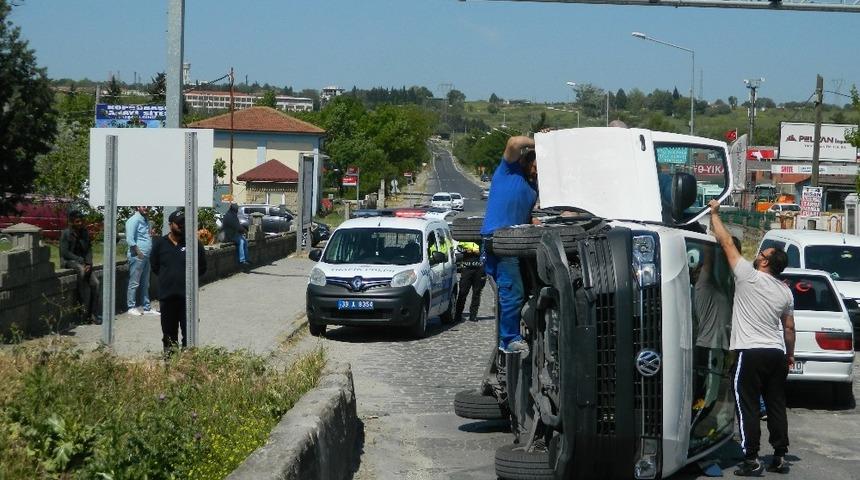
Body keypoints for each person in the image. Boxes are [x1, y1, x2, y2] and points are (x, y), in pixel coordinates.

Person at [708, 199, 794, 476]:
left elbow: (725, 243)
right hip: (776, 354)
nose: (758, 254)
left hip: (751, 353)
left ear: (766, 261)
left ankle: (751, 459)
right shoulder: (785, 292)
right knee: (776, 405)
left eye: (762, 253)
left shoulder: (748, 276)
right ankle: (780, 457)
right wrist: (790, 355)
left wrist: (714, 213)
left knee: (747, 407)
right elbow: (789, 328)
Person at [481, 135, 538, 354]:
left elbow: (522, 214)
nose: (536, 172)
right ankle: (509, 339)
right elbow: (514, 141)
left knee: (523, 289)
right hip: (500, 239)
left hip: (516, 240)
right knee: (512, 289)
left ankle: (519, 327)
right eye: (535, 167)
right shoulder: (507, 171)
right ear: (525, 160)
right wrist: (540, 141)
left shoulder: (533, 188)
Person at [150, 209, 207, 354]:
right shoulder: (160, 244)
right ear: (171, 225)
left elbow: (202, 267)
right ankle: (171, 368)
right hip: (167, 298)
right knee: (169, 337)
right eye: (179, 223)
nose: (182, 226)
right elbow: (155, 266)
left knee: (189, 336)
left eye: (184, 223)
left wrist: (186, 281)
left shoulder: (194, 244)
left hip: (187, 299)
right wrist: (168, 278)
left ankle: (187, 366)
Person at [59, 210, 101, 324]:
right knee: (82, 272)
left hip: (83, 262)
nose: (80, 223)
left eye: (81, 221)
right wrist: (81, 261)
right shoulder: (66, 233)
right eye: (77, 221)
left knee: (96, 283)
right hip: (69, 261)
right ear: (72, 222)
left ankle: (94, 314)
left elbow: (88, 250)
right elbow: (65, 253)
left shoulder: (84, 233)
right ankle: (82, 311)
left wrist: (89, 263)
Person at [125, 206, 157, 316]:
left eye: (148, 206)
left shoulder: (145, 220)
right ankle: (131, 306)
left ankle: (146, 307)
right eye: (144, 206)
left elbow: (144, 236)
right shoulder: (133, 220)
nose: (146, 208)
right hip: (137, 256)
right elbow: (130, 238)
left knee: (145, 283)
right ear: (138, 206)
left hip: (146, 256)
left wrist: (150, 235)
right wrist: (139, 252)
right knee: (134, 282)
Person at [455, 241, 485, 322]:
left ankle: (473, 315)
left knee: (477, 293)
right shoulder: (466, 237)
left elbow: (483, 252)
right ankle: (458, 315)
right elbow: (459, 248)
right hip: (466, 269)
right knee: (462, 292)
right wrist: (471, 250)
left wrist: (476, 251)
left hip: (479, 270)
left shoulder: (481, 240)